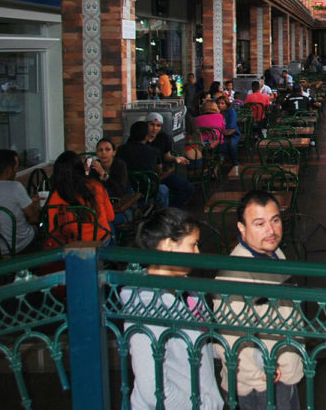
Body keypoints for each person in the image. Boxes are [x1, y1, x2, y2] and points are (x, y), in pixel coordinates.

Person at [124, 208, 223, 410]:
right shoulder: (146, 306)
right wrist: (201, 406)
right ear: (169, 245)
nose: (197, 253)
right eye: (193, 245)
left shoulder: (184, 286)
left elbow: (191, 344)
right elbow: (153, 390)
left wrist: (221, 350)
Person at [215, 191, 304, 409]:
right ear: (242, 228)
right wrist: (260, 375)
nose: (271, 231)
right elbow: (230, 340)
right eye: (259, 224)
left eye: (275, 221)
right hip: (263, 384)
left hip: (285, 372)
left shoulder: (275, 254)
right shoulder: (233, 276)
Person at [43, 150, 115, 246]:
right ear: (80, 168)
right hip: (101, 240)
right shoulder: (96, 186)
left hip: (72, 245)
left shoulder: (56, 196)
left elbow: (53, 230)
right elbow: (111, 217)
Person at [146, 112, 194, 209]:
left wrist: (176, 158)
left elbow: (166, 156)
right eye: (152, 125)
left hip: (163, 174)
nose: (155, 128)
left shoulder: (163, 137)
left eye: (158, 126)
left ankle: (171, 211)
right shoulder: (140, 138)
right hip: (147, 176)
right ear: (146, 124)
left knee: (188, 187)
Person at [116, 121, 170, 206]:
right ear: (146, 136)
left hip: (126, 188)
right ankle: (162, 215)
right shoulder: (154, 151)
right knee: (164, 189)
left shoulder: (121, 149)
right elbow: (159, 171)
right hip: (148, 189)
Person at [216, 94, 242, 174]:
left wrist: (222, 130)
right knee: (220, 145)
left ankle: (236, 163)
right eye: (218, 103)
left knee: (231, 144)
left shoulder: (231, 111)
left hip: (233, 134)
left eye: (222, 103)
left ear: (227, 104)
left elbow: (231, 126)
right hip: (222, 134)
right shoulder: (216, 113)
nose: (220, 105)